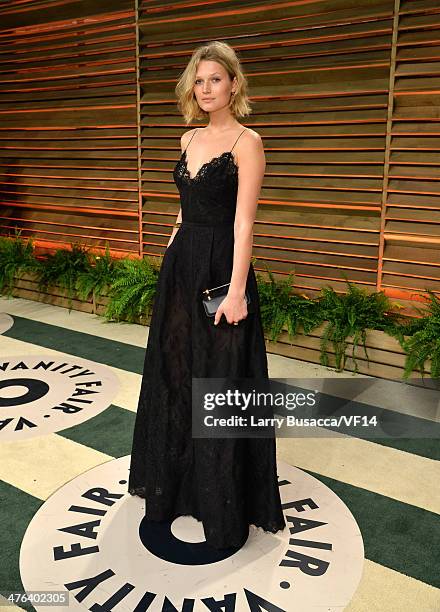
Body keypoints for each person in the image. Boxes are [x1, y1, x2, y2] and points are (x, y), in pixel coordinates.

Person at [128, 40, 286, 550]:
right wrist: (170, 250)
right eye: (199, 80)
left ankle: (224, 500)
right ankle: (177, 486)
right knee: (177, 373)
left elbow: (243, 224)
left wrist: (237, 290)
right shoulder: (187, 137)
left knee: (218, 381)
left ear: (234, 84)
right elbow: (184, 206)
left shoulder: (247, 141)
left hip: (223, 269)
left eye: (215, 79)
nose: (206, 88)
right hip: (182, 266)